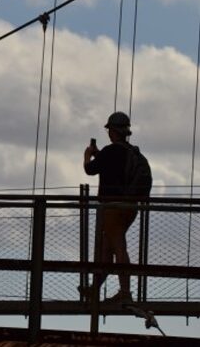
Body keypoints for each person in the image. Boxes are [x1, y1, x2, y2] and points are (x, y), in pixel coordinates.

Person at [82, 111, 143, 304]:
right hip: (129, 208)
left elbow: (90, 169)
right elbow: (114, 166)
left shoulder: (109, 152)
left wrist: (88, 156)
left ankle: (125, 293)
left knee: (118, 247)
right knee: (106, 251)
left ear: (112, 132)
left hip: (111, 208)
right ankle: (94, 289)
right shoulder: (131, 152)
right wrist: (100, 154)